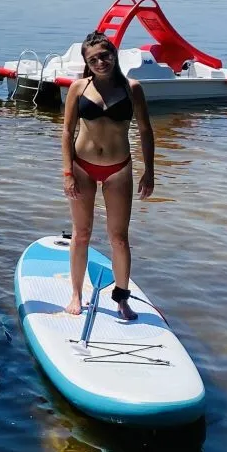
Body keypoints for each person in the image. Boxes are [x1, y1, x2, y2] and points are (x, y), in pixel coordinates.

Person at [61, 30, 155, 320]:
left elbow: (145, 131)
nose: (100, 62)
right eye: (93, 59)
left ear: (114, 54)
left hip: (119, 169)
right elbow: (67, 132)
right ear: (86, 63)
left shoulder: (132, 88)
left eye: (105, 55)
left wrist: (149, 171)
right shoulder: (78, 88)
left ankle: (122, 298)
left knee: (119, 238)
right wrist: (67, 172)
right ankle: (76, 294)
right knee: (81, 233)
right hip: (82, 166)